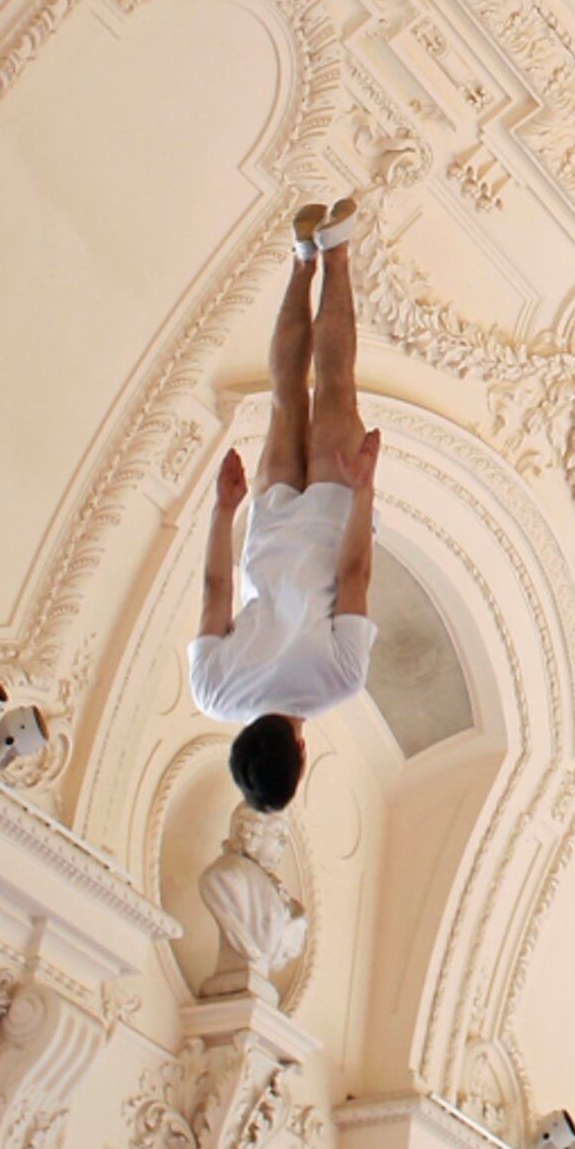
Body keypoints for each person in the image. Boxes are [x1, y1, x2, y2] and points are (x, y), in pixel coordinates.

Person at [193, 197, 379, 809]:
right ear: (242, 744)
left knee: (336, 380)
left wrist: (364, 489)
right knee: (283, 394)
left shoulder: (339, 682)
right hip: (269, 519)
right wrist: (225, 509)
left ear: (300, 757)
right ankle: (302, 260)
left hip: (331, 508)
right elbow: (215, 592)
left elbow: (353, 574)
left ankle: (340, 251)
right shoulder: (214, 694)